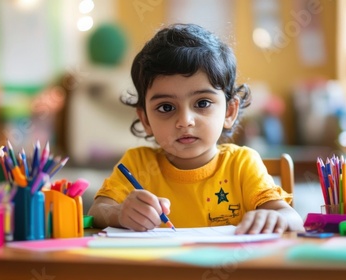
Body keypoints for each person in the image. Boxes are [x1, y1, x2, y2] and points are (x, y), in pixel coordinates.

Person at [88, 23, 304, 234]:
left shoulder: (242, 165)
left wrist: (274, 216)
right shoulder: (137, 164)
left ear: (229, 111)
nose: (185, 121)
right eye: (166, 107)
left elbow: (292, 218)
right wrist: (119, 213)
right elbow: (97, 211)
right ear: (145, 120)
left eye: (202, 103)